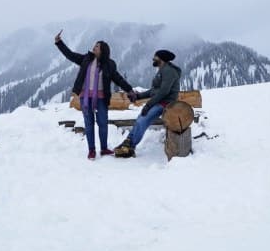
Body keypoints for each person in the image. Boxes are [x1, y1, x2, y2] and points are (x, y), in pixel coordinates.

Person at [55, 29, 136, 160]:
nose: (94, 47)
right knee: (89, 124)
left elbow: (118, 78)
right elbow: (70, 55)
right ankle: (91, 150)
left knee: (103, 123)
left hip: (101, 99)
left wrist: (129, 90)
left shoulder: (109, 64)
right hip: (85, 98)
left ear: (103, 50)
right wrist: (59, 43)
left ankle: (103, 149)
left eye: (97, 46)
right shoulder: (86, 59)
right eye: (95, 45)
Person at [114, 49, 181, 158]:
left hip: (167, 104)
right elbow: (154, 91)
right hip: (160, 101)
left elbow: (163, 92)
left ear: (161, 59)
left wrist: (148, 105)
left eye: (155, 57)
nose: (153, 59)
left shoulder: (169, 71)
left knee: (143, 119)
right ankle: (128, 142)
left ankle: (130, 147)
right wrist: (138, 96)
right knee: (140, 118)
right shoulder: (162, 70)